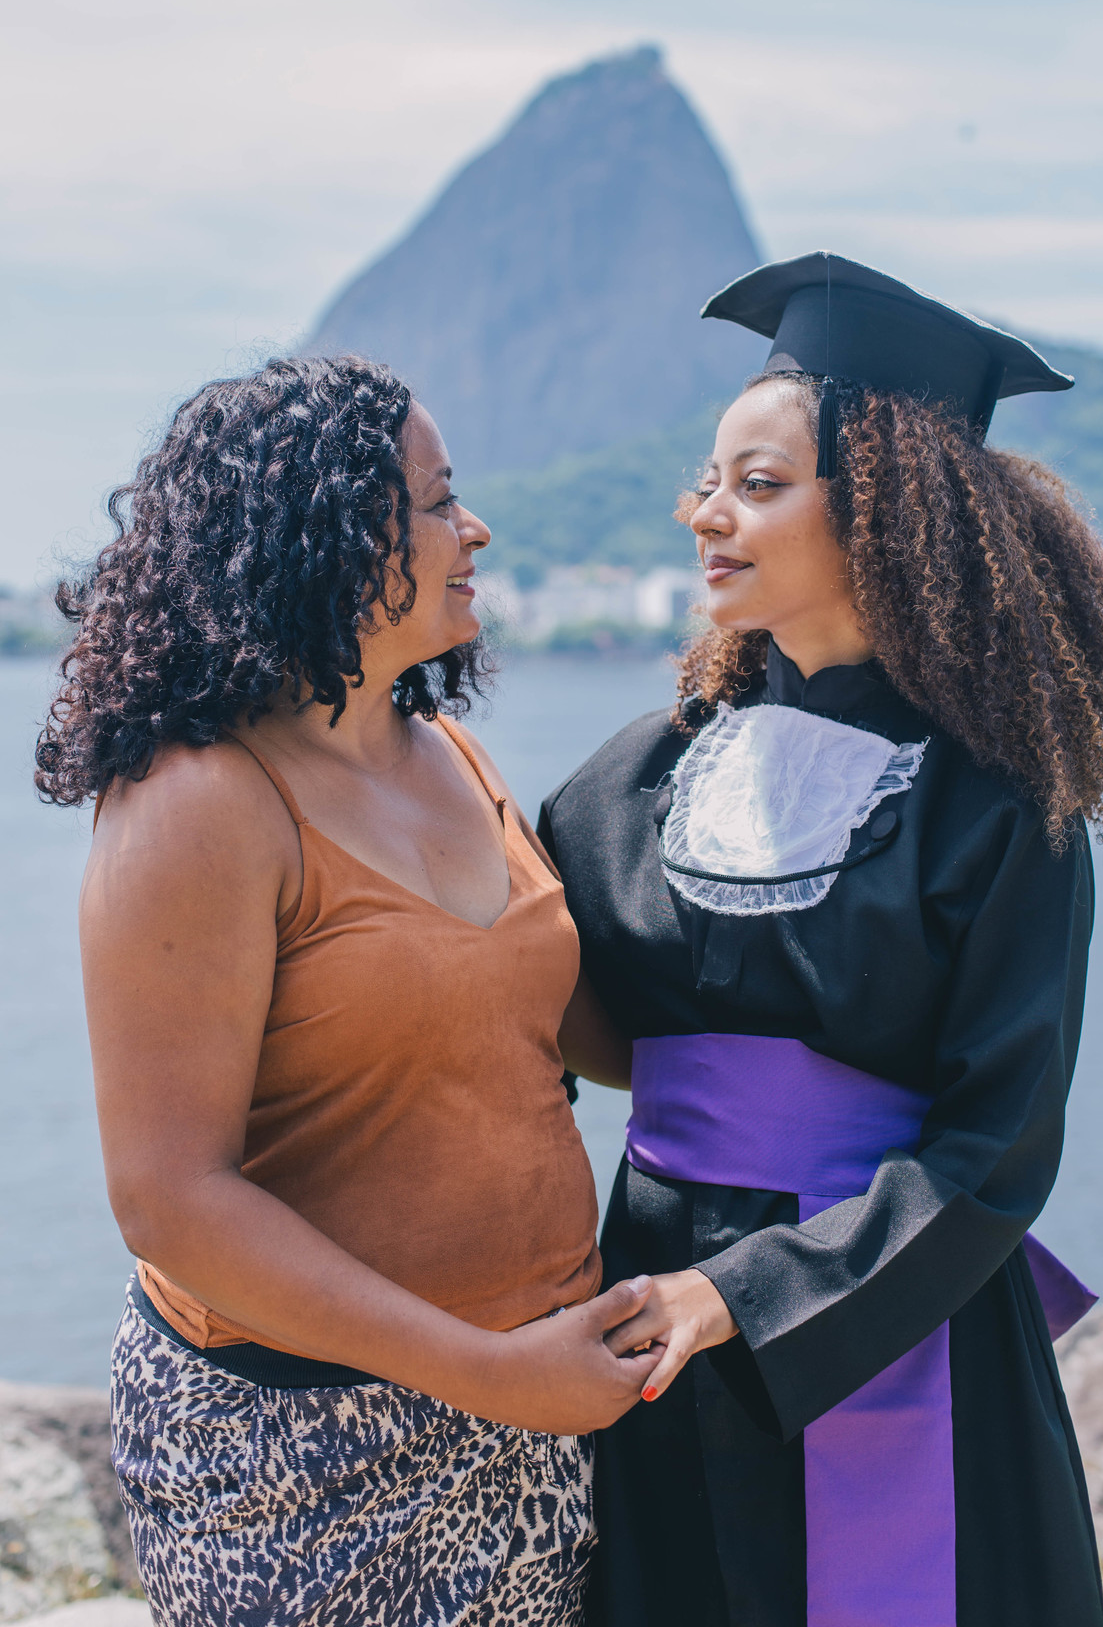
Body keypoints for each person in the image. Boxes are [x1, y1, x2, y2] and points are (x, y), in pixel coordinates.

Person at [538, 254, 1103, 1627]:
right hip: (646, 1320)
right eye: (710, 479)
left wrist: (738, 1297)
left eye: (759, 485)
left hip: (891, 1320)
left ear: (888, 514)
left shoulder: (998, 804)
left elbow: (997, 1152)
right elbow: (531, 997)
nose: (705, 512)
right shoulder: (641, 776)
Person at [36, 355, 661, 1627]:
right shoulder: (197, 800)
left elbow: (571, 1033)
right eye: (436, 502)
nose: (472, 528)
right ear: (318, 533)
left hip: (531, 1408)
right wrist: (490, 1374)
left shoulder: (448, 752)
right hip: (295, 1452)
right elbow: (169, 1197)